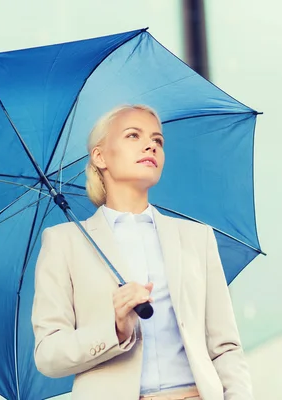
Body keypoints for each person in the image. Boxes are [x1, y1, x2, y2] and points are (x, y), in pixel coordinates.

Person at [31, 104, 254, 400]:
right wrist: (115, 328)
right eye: (133, 135)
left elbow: (225, 347)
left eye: (158, 140)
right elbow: (48, 354)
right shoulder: (64, 242)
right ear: (100, 156)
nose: (150, 145)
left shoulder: (196, 237)